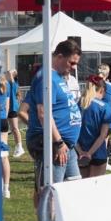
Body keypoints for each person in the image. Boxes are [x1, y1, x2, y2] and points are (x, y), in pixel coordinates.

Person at [21, 40, 83, 201]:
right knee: (51, 194)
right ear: (60, 57)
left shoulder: (58, 77)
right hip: (53, 145)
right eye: (72, 62)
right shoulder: (46, 78)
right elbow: (43, 113)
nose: (74, 67)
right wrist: (57, 142)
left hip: (65, 145)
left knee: (74, 190)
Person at [76, 75, 111, 178]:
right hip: (98, 153)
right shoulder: (105, 107)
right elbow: (103, 135)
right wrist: (90, 153)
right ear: (102, 90)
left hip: (79, 153)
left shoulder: (77, 105)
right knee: (97, 190)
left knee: (82, 189)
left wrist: (81, 152)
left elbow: (72, 133)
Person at [0, 73, 11, 199]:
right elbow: (7, 106)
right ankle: (6, 187)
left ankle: (2, 185)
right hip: (3, 121)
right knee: (4, 156)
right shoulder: (6, 85)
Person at [7, 69, 23, 158]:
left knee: (15, 128)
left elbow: (10, 73)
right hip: (9, 109)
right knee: (11, 129)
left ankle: (20, 147)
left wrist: (12, 71)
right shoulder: (8, 84)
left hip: (12, 108)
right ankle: (16, 147)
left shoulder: (14, 84)